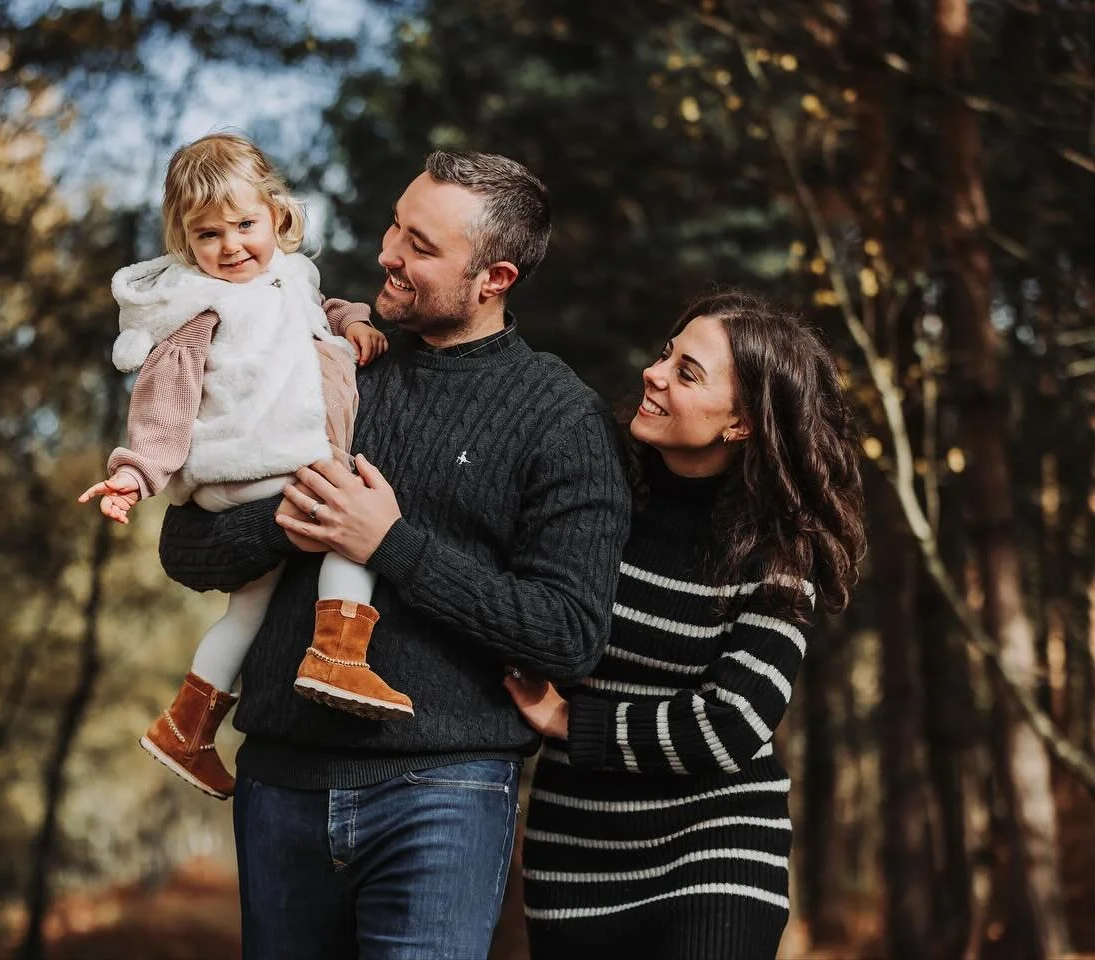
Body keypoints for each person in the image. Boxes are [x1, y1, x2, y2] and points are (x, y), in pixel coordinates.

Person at [157, 151, 630, 959]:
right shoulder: (322, 361)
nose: (387, 253)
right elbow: (186, 547)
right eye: (394, 226)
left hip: (445, 791)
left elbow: (565, 635)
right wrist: (294, 520)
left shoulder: (560, 417)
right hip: (279, 787)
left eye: (420, 245)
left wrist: (391, 545)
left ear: (495, 277)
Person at [505, 291, 867, 960]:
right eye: (666, 354)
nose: (655, 372)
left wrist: (568, 722)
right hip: (575, 849)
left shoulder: (779, 548)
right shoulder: (591, 486)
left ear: (741, 424)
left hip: (718, 842)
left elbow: (732, 723)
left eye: (687, 372)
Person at [77, 132, 406, 802]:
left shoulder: (289, 275)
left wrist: (356, 321)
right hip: (252, 462)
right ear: (184, 240)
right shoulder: (204, 306)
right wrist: (135, 473)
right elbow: (164, 398)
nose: (231, 247)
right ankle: (339, 655)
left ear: (277, 216)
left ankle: (187, 727)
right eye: (208, 235)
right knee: (355, 517)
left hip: (261, 471)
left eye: (245, 225)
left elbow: (317, 310)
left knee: (247, 611)